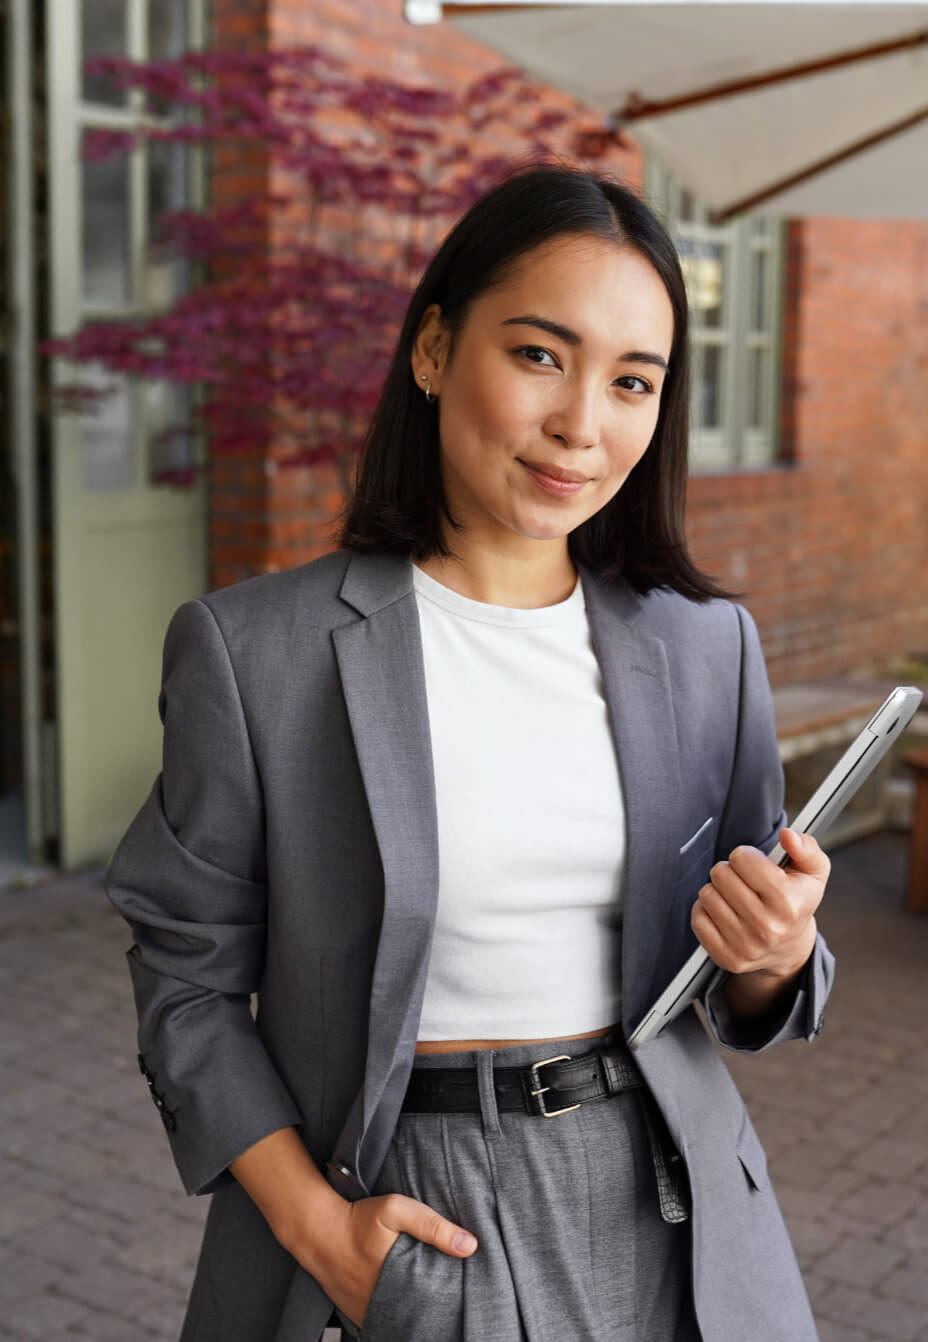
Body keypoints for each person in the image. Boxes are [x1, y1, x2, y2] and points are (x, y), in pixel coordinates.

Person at [107, 164, 835, 1342]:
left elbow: (747, 983)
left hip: (674, 1197)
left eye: (631, 381)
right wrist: (315, 1230)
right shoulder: (256, 652)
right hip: (400, 1198)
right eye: (540, 355)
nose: (581, 425)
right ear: (435, 350)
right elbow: (184, 977)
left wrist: (775, 948)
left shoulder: (707, 649)